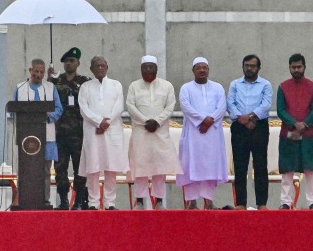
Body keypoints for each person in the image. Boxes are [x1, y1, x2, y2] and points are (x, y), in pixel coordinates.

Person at [125, 55, 179, 210]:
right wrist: (145, 121)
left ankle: (159, 201)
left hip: (159, 132)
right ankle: (140, 201)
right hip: (141, 132)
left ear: (157, 69)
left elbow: (170, 106)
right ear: (141, 69)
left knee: (159, 167)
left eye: (151, 67)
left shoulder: (167, 86)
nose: (148, 70)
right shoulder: (134, 86)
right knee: (140, 166)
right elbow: (130, 105)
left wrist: (157, 121)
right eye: (145, 67)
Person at [177, 57, 227, 210]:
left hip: (212, 133)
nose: (202, 70)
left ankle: (209, 200)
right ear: (193, 70)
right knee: (191, 164)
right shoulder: (186, 88)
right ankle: (192, 202)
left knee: (210, 166)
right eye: (198, 67)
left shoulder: (218, 87)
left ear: (208, 70)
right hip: (193, 132)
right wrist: (201, 120)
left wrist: (210, 121)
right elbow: (185, 106)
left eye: (205, 67)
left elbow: (222, 106)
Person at [78, 55, 127, 210]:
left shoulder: (116, 85)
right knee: (93, 167)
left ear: (107, 67)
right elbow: (83, 108)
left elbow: (119, 106)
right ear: (91, 69)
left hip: (111, 130)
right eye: (97, 66)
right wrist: (99, 121)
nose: (100, 68)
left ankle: (109, 203)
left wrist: (107, 122)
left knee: (110, 167)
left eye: (103, 65)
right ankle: (93, 202)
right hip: (93, 131)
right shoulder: (85, 87)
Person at [12, 58, 63, 207]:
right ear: (30, 70)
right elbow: (13, 110)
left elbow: (59, 109)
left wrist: (49, 115)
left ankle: (45, 199)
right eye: (36, 71)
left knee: (45, 170)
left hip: (47, 135)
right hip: (25, 137)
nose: (39, 75)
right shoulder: (20, 88)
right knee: (26, 168)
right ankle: (23, 198)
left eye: (41, 72)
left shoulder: (50, 88)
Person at [226, 54, 272, 209]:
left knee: (260, 165)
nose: (249, 68)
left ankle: (261, 203)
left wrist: (250, 117)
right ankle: (240, 203)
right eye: (247, 65)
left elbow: (266, 105)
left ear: (258, 68)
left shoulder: (265, 84)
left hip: (258, 126)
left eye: (253, 66)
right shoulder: (235, 84)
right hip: (239, 127)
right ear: (243, 66)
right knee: (240, 166)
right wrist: (242, 119)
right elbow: (230, 103)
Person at [277, 53, 313, 210]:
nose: (296, 69)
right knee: (287, 170)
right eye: (293, 67)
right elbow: (280, 110)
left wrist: (305, 125)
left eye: (299, 67)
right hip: (288, 135)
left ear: (304, 67)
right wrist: (294, 124)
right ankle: (286, 202)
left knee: (310, 170)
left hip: (309, 135)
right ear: (289, 68)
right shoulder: (283, 87)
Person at [51, 46, 90, 209]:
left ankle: (79, 200)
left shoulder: (85, 82)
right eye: (66, 61)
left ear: (78, 63)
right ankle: (63, 199)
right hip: (59, 134)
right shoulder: (55, 82)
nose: (69, 64)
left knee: (80, 168)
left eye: (72, 61)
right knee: (60, 169)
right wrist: (48, 78)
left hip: (79, 134)